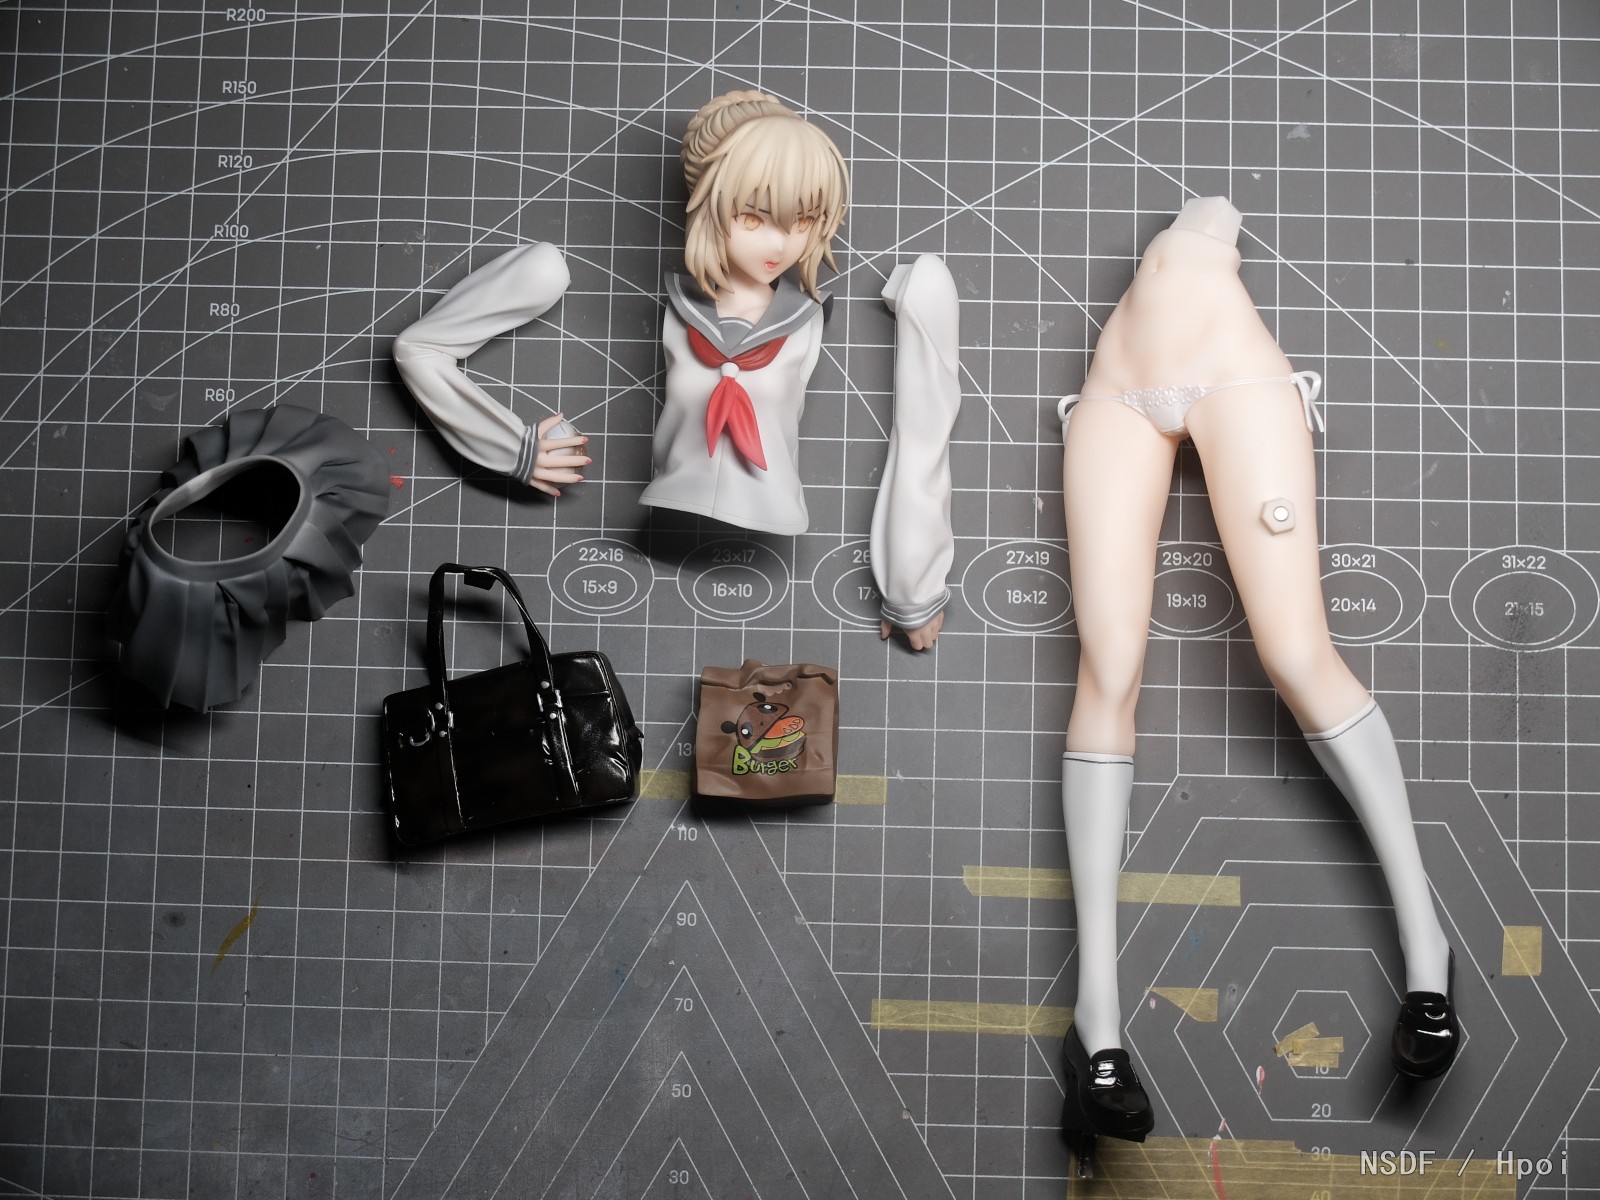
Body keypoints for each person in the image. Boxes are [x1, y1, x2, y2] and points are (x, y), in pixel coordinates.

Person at [1057, 197, 1458, 1159]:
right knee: (1108, 667)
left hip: (1234, 376)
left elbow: (1213, 218)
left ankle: (1430, 960)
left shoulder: (1212, 230)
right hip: (1118, 388)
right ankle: (1096, 1030)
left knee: (1296, 652)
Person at [640, 90, 849, 535]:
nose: (780, 244)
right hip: (673, 498)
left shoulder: (803, 320)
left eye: (803, 221)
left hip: (773, 509)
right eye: (753, 218)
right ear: (711, 204)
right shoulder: (681, 311)